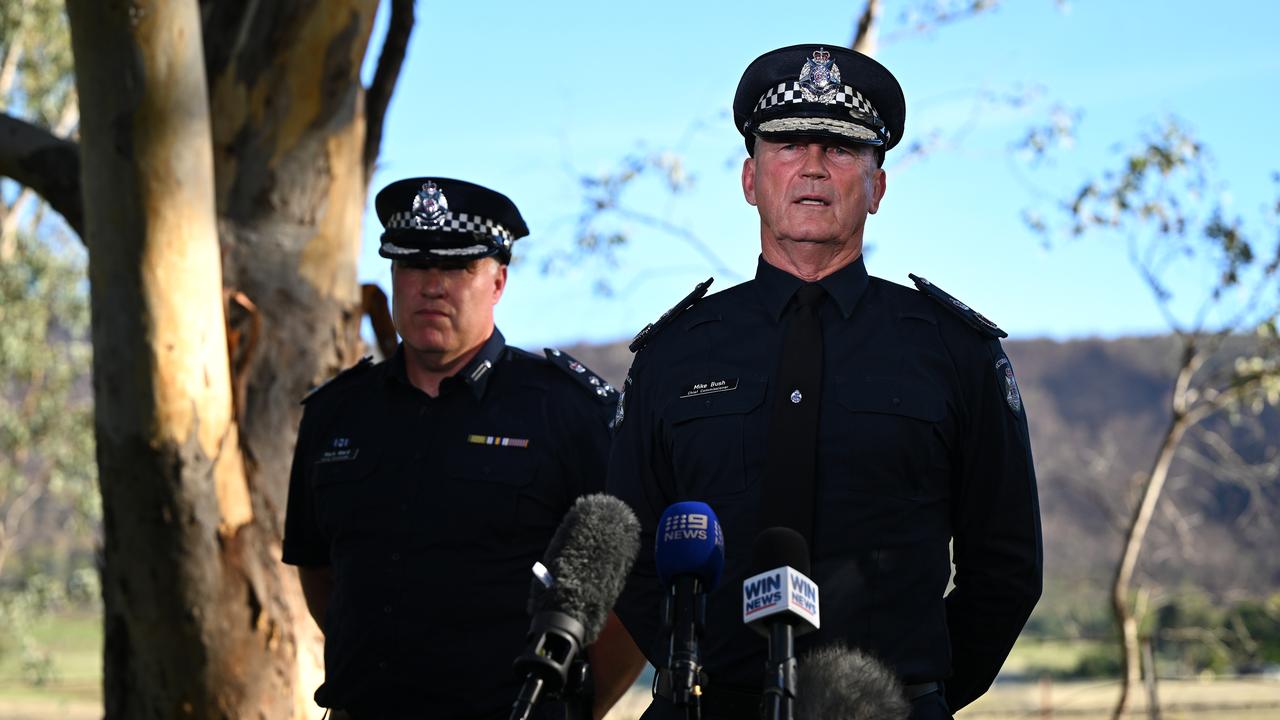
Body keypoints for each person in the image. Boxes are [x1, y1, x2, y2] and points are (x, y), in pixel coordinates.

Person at [607, 45, 1042, 720]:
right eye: (787, 145)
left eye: (840, 149)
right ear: (750, 179)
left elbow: (1006, 563)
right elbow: (627, 549)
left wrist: (918, 695)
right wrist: (695, 677)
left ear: (878, 187)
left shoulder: (954, 351)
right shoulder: (675, 354)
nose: (812, 166)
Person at [283, 178, 641, 719]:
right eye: (414, 266)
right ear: (393, 277)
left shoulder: (566, 411)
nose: (433, 287)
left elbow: (636, 585)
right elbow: (319, 569)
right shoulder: (335, 414)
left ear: (498, 282)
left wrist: (576, 708)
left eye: (458, 268)